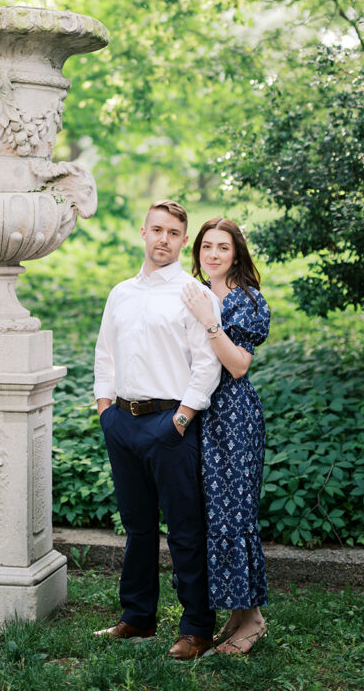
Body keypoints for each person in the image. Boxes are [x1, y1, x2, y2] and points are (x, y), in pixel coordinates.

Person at [93, 200, 222, 660]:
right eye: (157, 230)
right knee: (138, 527)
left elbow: (207, 364)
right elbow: (105, 353)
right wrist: (105, 409)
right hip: (122, 423)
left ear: (183, 241)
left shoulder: (193, 294)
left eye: (173, 233)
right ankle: (138, 618)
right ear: (142, 233)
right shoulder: (121, 293)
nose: (163, 239)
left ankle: (196, 629)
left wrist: (182, 418)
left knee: (185, 529)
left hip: (171, 425)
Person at [181, 217, 270, 655]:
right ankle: (235, 616)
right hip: (198, 412)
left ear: (237, 254)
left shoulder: (245, 301)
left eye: (223, 248)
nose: (212, 255)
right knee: (213, 515)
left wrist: (209, 322)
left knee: (235, 514)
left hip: (233, 418)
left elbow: (237, 366)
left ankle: (253, 620)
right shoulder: (193, 293)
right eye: (206, 247)